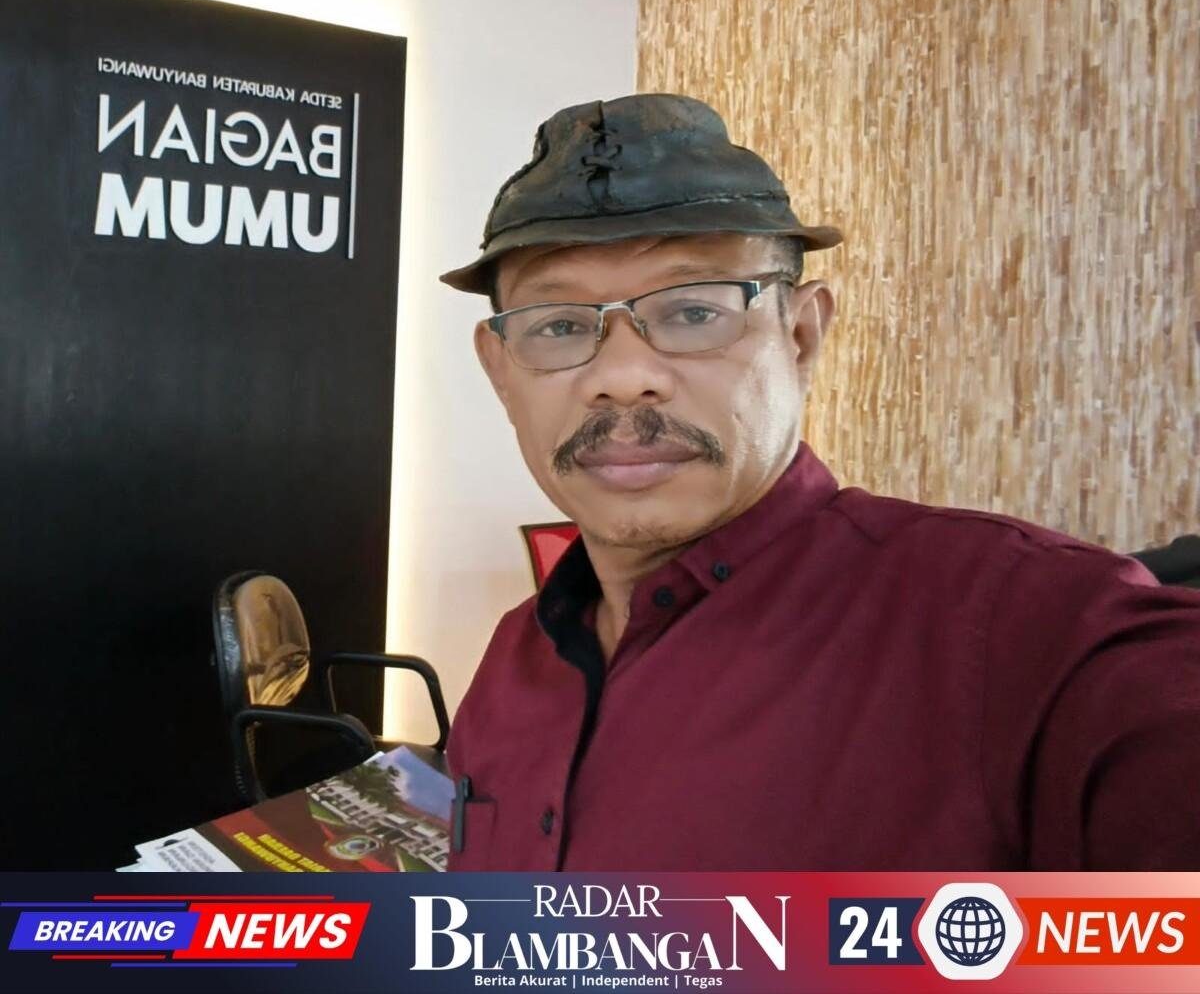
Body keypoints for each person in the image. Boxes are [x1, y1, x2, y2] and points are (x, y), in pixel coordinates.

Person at [439, 93, 1200, 870]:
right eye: (561, 325)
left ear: (801, 336)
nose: (625, 375)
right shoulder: (510, 664)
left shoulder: (1018, 632)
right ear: (501, 371)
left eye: (694, 312)